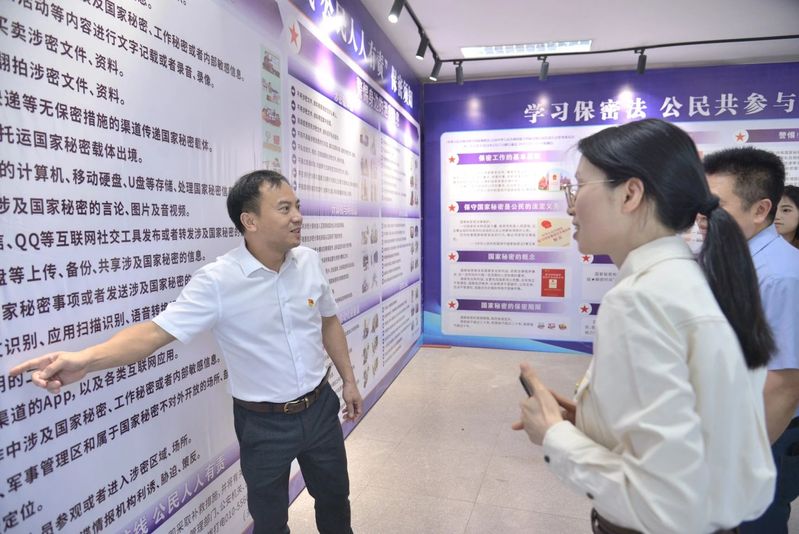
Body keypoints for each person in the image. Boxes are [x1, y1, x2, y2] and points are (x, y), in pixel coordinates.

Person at [9, 170, 363, 534]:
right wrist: (85, 359)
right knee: (270, 523)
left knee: (335, 502)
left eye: (297, 206)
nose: (298, 217)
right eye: (285, 208)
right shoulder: (218, 281)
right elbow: (154, 333)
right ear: (250, 221)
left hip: (321, 408)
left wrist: (348, 380)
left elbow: (329, 322)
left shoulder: (309, 261)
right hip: (264, 425)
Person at [513, 119, 776, 533]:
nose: (570, 207)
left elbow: (662, 504)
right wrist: (596, 421)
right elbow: (695, 439)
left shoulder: (640, 300)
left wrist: (552, 435)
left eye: (578, 187)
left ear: (630, 194)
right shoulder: (690, 281)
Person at [702, 148, 799, 534]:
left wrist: (739, 458)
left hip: (766, 435)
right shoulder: (730, 257)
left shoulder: (780, 277)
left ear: (760, 210)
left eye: (716, 205)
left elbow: (784, 385)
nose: (702, 214)